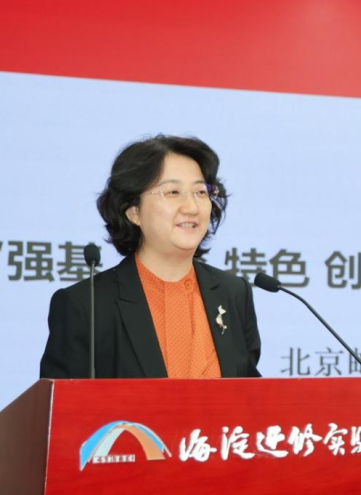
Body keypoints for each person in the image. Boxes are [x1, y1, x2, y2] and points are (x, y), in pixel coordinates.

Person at [40, 135, 261, 379]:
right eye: (173, 192)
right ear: (134, 212)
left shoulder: (233, 294)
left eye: (200, 192)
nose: (192, 207)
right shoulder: (86, 305)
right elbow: (62, 400)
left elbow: (249, 393)